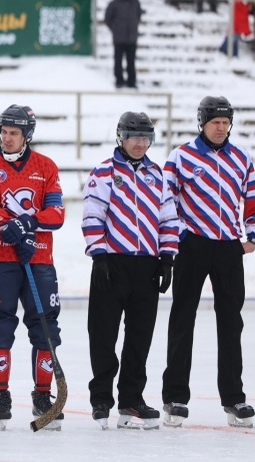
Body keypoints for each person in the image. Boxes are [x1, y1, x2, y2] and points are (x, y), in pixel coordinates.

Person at [161, 96, 255, 428]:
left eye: (225, 122)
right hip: (193, 244)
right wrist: (181, 234)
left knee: (232, 321)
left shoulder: (241, 157)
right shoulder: (181, 156)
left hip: (228, 247)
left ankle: (234, 397)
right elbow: (166, 199)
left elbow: (253, 200)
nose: (221, 128)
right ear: (202, 122)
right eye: (215, 122)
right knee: (183, 318)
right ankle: (175, 397)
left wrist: (252, 236)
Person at [82, 111, 178, 429]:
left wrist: (167, 258)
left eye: (145, 138)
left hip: (147, 266)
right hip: (111, 264)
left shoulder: (157, 175)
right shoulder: (104, 172)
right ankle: (101, 399)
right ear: (121, 138)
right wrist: (99, 256)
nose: (140, 143)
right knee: (103, 334)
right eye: (134, 137)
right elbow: (93, 215)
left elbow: (168, 218)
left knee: (139, 336)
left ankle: (131, 400)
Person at [0, 105, 66, 430]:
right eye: (4, 131)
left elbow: (56, 214)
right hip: (0, 258)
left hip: (38, 259)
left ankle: (42, 395)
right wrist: (11, 229)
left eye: (14, 133)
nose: (7, 138)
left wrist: (27, 223)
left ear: (27, 135)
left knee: (45, 327)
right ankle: (1, 394)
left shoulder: (46, 166)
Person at [104, 0, 143, 89]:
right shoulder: (114, 3)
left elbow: (138, 15)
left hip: (132, 38)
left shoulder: (135, 2)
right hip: (119, 37)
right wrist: (115, 29)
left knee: (131, 61)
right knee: (118, 60)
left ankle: (132, 81)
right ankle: (119, 80)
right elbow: (108, 18)